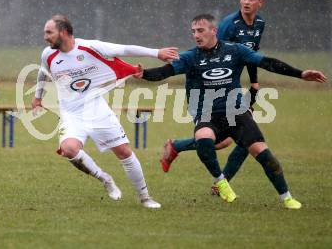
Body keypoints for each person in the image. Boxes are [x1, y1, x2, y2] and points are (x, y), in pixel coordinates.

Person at [137, 14, 326, 209]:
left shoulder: (235, 51)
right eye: (193, 31)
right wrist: (143, 74)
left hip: (236, 112)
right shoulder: (190, 57)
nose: (196, 35)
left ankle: (287, 198)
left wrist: (300, 74)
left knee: (264, 155)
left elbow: (267, 63)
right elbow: (164, 72)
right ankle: (221, 182)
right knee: (203, 138)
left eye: (200, 30)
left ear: (214, 31)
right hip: (207, 114)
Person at [32, 14, 178, 209]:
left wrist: (156, 52)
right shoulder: (47, 54)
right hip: (71, 115)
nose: (45, 37)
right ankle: (105, 179)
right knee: (69, 150)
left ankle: (145, 197)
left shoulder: (90, 47)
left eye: (49, 32)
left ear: (64, 32)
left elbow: (125, 49)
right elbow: (43, 71)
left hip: (97, 110)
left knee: (124, 152)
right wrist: (38, 96)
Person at [161, 0, 265, 193]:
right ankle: (220, 181)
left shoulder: (259, 24)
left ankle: (180, 149)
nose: (246, 2)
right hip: (214, 90)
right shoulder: (229, 25)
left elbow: (252, 55)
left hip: (234, 86)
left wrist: (254, 82)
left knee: (228, 141)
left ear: (260, 3)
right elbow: (213, 55)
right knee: (232, 140)